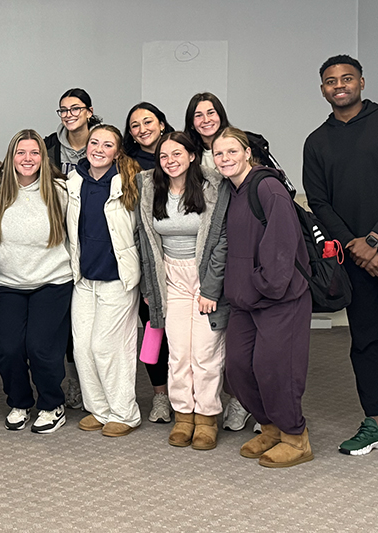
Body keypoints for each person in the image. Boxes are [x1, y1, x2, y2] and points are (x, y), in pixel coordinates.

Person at [303, 55, 378, 473]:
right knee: (363, 342)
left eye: (347, 78)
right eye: (330, 81)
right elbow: (319, 202)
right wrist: (356, 247)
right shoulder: (316, 142)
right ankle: (374, 423)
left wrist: (375, 239)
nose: (339, 85)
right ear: (322, 89)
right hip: (352, 256)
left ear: (361, 82)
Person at [214, 127, 313, 468]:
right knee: (238, 368)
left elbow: (283, 242)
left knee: (276, 370)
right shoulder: (232, 190)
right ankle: (270, 428)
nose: (225, 158)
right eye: (218, 153)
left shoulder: (268, 187)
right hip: (244, 300)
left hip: (279, 297)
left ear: (247, 153)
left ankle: (296, 437)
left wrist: (266, 284)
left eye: (232, 151)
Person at [136, 132, 229, 450]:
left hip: (204, 276)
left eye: (177, 154)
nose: (170, 161)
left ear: (192, 156)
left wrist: (212, 289)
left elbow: (222, 241)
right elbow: (144, 241)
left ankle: (206, 417)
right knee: (178, 353)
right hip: (169, 278)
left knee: (204, 352)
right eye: (163, 156)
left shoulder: (213, 187)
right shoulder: (150, 188)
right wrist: (150, 286)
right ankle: (184, 415)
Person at [0, 130, 72, 434]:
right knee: (10, 351)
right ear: (11, 157)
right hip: (7, 283)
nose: (27, 159)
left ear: (43, 157)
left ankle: (52, 404)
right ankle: (19, 403)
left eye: (34, 152)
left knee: (41, 348)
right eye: (21, 152)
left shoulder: (60, 190)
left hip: (53, 281)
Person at [184, 92, 256, 432]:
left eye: (210, 112)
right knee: (215, 341)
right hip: (206, 258)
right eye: (198, 115)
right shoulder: (188, 156)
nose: (205, 120)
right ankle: (223, 401)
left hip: (240, 252)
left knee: (243, 339)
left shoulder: (236, 147)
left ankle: (245, 402)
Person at [67, 125, 142, 437]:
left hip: (117, 278)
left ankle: (124, 413)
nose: (98, 149)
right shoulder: (73, 181)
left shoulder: (129, 183)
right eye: (94, 142)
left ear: (117, 152)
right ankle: (99, 409)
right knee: (83, 347)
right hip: (84, 278)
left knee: (107, 346)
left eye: (107, 145)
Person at [44, 88, 102, 409]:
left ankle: (100, 383)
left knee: (96, 321)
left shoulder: (105, 142)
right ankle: (75, 381)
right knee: (67, 317)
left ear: (89, 111)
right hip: (60, 240)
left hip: (97, 239)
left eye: (75, 108)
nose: (69, 115)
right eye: (63, 110)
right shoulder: (48, 147)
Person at [123, 101, 175, 424]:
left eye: (148, 121)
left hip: (182, 257)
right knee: (154, 331)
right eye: (135, 125)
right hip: (146, 257)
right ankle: (160, 396)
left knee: (185, 335)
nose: (142, 129)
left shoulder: (179, 153)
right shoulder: (127, 164)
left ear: (162, 123)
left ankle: (188, 395)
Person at [122, 102, 174, 170]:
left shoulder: (181, 154)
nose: (142, 130)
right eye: (135, 126)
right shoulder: (125, 164)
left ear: (161, 125)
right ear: (131, 133)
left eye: (147, 122)